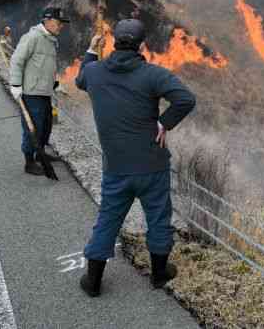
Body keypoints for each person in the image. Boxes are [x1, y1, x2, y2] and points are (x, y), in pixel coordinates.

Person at [75, 19, 195, 297]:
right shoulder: (152, 74)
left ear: (114, 42)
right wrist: (164, 123)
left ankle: (93, 281)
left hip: (116, 167)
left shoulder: (94, 72)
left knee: (108, 220)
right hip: (152, 165)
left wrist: (92, 50)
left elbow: (81, 79)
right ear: (141, 45)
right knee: (158, 218)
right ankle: (159, 275)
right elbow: (186, 99)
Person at [9, 7, 70, 175]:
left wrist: (54, 82)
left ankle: (40, 154)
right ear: (48, 21)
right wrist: (15, 85)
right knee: (32, 128)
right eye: (59, 23)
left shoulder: (50, 39)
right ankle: (29, 162)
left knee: (46, 126)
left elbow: (44, 65)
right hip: (32, 92)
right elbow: (16, 61)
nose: (61, 27)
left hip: (45, 91)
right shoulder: (32, 37)